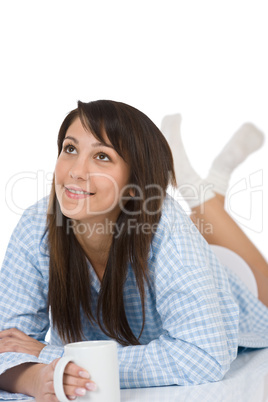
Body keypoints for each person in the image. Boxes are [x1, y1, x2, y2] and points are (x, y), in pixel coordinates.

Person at [0, 100, 268, 401]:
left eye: (102, 156)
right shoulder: (36, 226)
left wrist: (58, 356)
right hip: (179, 264)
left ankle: (203, 184)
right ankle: (208, 184)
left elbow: (203, 356)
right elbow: (8, 344)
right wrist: (34, 379)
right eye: (70, 148)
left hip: (232, 290)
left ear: (133, 185)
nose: (75, 170)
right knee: (195, 228)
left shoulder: (168, 228)